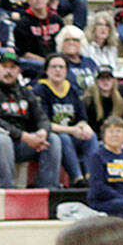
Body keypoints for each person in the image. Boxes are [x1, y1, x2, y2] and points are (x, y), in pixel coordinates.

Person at [0, 48, 62, 190]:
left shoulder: (24, 92)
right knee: (2, 140)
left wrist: (43, 131)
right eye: (4, 67)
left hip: (16, 144)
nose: (8, 71)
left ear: (19, 72)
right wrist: (24, 136)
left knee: (52, 139)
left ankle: (47, 191)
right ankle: (8, 190)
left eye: (13, 68)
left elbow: (42, 116)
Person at [35, 52, 96, 187]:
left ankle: (92, 176)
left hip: (71, 132)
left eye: (61, 67)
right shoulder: (40, 90)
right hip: (50, 135)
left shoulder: (72, 89)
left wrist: (83, 126)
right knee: (63, 138)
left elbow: (81, 117)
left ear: (67, 71)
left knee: (91, 136)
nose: (58, 70)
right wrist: (72, 130)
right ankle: (77, 179)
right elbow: (43, 123)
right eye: (54, 67)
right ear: (47, 70)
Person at [86, 116, 123, 219]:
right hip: (105, 201)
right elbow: (98, 186)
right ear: (104, 136)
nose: (115, 135)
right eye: (111, 131)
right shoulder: (97, 157)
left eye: (119, 131)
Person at [13, 0, 63, 77]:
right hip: (34, 65)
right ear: (28, 1)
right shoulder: (22, 24)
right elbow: (24, 53)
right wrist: (48, 63)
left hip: (57, 63)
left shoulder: (57, 20)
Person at [57, 24, 98, 92]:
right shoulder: (58, 63)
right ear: (61, 43)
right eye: (67, 40)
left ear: (81, 43)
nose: (71, 43)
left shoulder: (89, 62)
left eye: (75, 40)